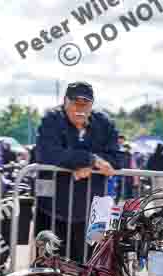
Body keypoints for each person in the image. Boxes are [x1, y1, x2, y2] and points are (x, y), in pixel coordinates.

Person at [34, 81, 118, 261]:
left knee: (85, 269)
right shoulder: (51, 119)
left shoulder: (105, 123)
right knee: (47, 269)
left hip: (90, 212)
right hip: (52, 210)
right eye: (75, 103)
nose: (80, 109)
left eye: (85, 104)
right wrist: (91, 160)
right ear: (65, 101)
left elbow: (118, 159)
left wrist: (89, 166)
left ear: (92, 105)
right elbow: (47, 153)